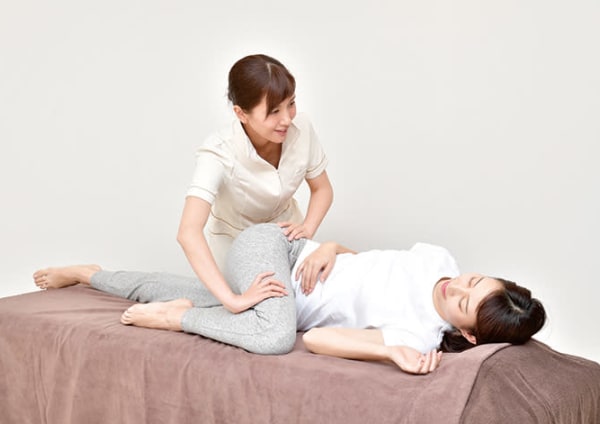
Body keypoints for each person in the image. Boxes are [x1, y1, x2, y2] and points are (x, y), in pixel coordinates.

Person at [33, 224, 546, 375]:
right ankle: (179, 320)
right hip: (277, 249)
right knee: (275, 336)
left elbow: (318, 338)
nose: (457, 286)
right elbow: (368, 263)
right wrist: (330, 247)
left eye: (463, 301)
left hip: (269, 298)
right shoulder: (438, 259)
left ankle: (89, 273)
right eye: (474, 280)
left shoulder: (417, 335)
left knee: (167, 289)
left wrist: (389, 351)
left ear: (468, 335)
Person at [178, 54, 333, 316]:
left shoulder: (302, 128)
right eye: (274, 111)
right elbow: (188, 232)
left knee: (314, 301)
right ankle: (173, 313)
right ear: (241, 113)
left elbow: (322, 189)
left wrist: (307, 228)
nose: (287, 119)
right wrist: (231, 300)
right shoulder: (218, 151)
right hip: (236, 246)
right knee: (264, 312)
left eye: (291, 104)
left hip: (286, 239)